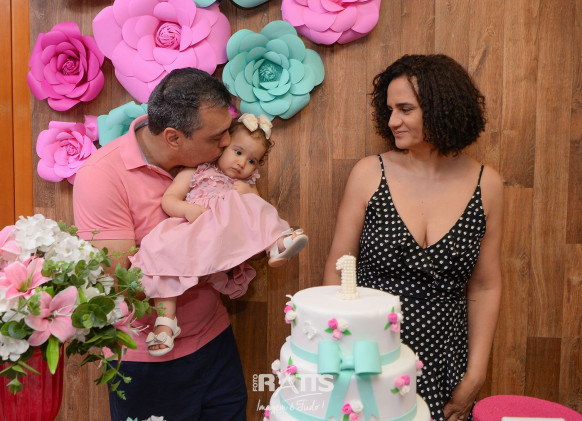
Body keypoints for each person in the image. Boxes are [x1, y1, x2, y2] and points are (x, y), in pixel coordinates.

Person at [323, 54, 503, 421]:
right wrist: (338, 356)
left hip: (444, 361)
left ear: (442, 108)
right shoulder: (369, 174)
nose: (393, 121)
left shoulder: (487, 185)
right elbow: (338, 269)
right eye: (389, 110)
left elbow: (485, 286)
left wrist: (475, 375)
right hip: (368, 355)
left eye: (405, 109)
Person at [74, 68, 249, 420]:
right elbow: (119, 279)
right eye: (217, 137)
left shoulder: (210, 164)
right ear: (173, 138)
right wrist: (209, 255)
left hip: (215, 339)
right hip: (147, 357)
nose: (227, 143)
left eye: (227, 130)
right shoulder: (102, 176)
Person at [130, 113, 308, 357]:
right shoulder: (197, 170)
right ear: (222, 146)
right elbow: (169, 200)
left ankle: (277, 244)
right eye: (238, 152)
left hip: (225, 240)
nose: (242, 163)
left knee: (259, 206)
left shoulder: (246, 184)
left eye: (252, 160)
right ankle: (165, 322)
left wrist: (250, 194)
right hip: (196, 231)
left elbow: (258, 216)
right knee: (162, 256)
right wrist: (186, 209)